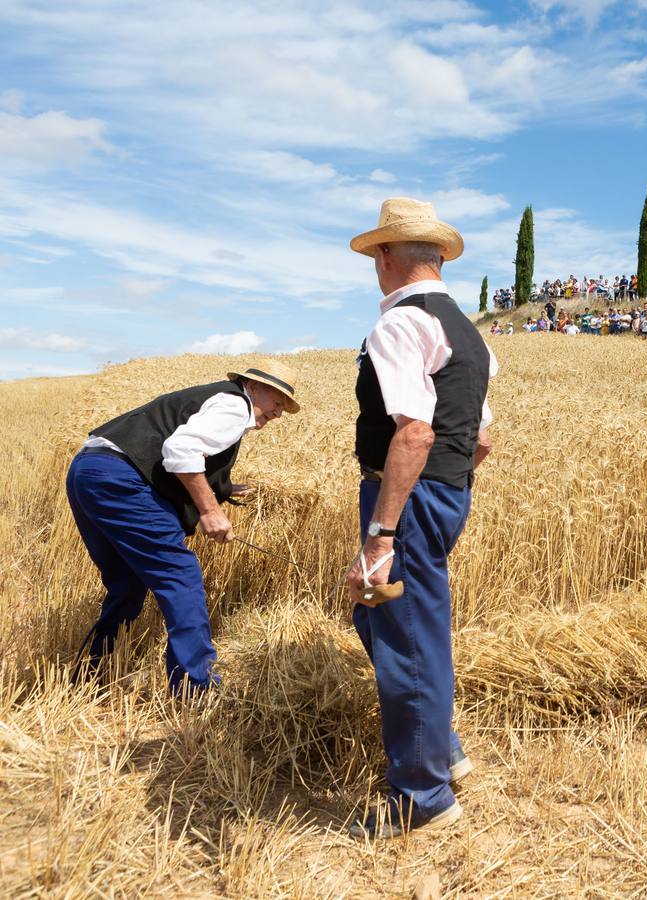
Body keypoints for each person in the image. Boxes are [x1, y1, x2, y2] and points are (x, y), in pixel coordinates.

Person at [345, 198, 497, 839]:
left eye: (375, 256)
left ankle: (422, 797)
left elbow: (413, 434)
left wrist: (383, 532)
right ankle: (443, 747)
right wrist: (445, 497)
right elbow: (482, 437)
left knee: (407, 641)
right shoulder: (471, 332)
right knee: (385, 619)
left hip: (406, 499)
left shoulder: (400, 325)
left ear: (385, 255)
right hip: (446, 495)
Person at [68, 361, 299, 693]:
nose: (277, 413)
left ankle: (92, 674)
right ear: (254, 387)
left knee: (127, 583)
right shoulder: (235, 404)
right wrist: (210, 511)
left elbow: (172, 454)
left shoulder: (219, 399)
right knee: (181, 576)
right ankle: (196, 687)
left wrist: (226, 489)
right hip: (120, 479)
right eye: (277, 402)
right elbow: (180, 450)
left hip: (89, 471)